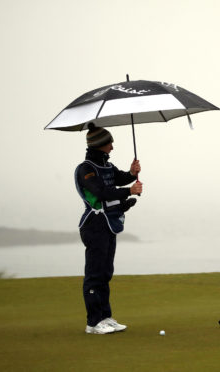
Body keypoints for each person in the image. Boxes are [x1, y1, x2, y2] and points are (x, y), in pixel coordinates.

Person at [74, 123, 143, 334]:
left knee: (105, 273)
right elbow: (102, 192)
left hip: (108, 225)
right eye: (109, 143)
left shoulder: (106, 166)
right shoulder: (86, 169)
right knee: (95, 275)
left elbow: (119, 178)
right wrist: (128, 190)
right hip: (94, 225)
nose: (112, 147)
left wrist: (132, 173)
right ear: (100, 145)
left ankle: (105, 317)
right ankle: (93, 322)